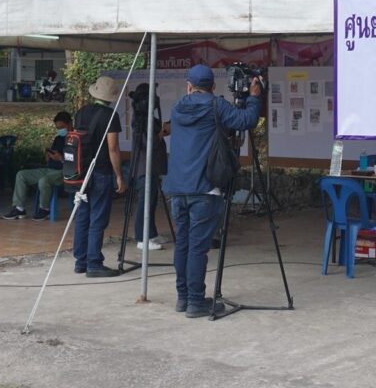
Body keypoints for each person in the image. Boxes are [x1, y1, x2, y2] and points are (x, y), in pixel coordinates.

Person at [164, 64, 261, 318]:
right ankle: (197, 302)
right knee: (197, 247)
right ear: (213, 87)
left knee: (182, 245)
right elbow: (247, 120)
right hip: (204, 188)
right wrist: (254, 96)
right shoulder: (216, 106)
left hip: (178, 188)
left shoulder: (177, 108)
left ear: (188, 86)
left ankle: (183, 298)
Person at [72, 76, 127, 278]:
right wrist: (119, 175)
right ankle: (94, 263)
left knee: (82, 215)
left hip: (81, 172)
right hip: (101, 172)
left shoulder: (81, 113)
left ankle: (81, 261)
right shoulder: (110, 116)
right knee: (98, 218)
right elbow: (113, 148)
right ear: (111, 97)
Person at [3, 112, 72, 220]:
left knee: (44, 180)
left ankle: (44, 209)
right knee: (21, 175)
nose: (60, 130)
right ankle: (19, 208)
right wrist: (49, 155)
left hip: (64, 171)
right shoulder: (58, 139)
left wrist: (61, 159)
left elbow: (76, 161)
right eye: (58, 128)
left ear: (69, 124)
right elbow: (53, 153)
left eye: (62, 127)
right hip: (49, 169)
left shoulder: (75, 139)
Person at [130, 83, 170, 251]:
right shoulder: (140, 120)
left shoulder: (149, 119)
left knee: (152, 201)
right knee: (144, 203)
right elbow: (148, 143)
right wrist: (163, 133)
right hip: (143, 168)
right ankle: (141, 238)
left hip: (152, 167)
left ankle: (151, 233)